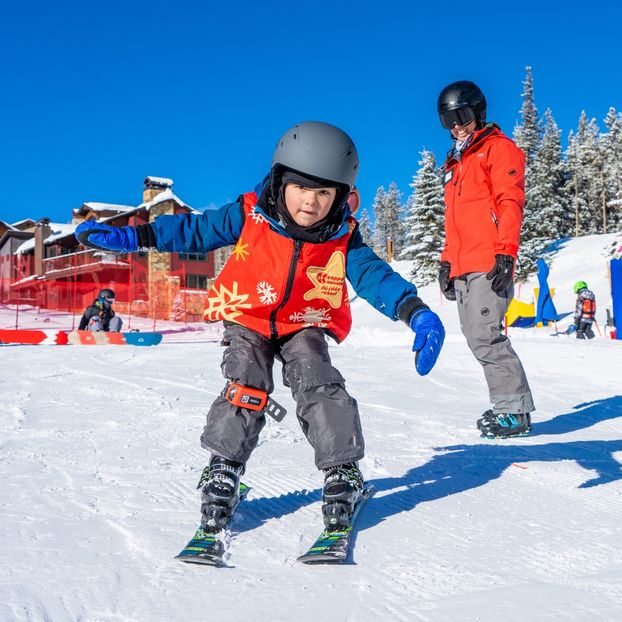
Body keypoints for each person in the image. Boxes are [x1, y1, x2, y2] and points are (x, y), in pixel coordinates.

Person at [74, 121, 445, 532]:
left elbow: (375, 275)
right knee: (246, 384)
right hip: (247, 316)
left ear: (341, 195)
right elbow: (194, 230)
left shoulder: (342, 236)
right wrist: (134, 237)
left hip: (304, 321)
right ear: (281, 180)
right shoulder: (250, 214)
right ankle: (224, 466)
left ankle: (343, 471)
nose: (311, 202)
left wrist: (414, 310)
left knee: (317, 380)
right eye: (302, 188)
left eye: (324, 193)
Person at [436, 80, 535, 439]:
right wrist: (447, 263)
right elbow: (453, 219)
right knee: (475, 335)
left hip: (489, 260)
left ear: (478, 112)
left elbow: (510, 201)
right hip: (464, 265)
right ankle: (509, 404)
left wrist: (506, 252)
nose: (457, 126)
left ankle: (514, 412)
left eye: (462, 116)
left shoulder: (498, 149)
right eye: (449, 120)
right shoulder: (455, 163)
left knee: (485, 336)